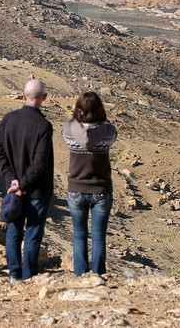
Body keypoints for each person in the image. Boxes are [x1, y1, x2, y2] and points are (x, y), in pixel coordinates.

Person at [0, 78, 55, 281]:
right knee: (33, 234)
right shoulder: (44, 126)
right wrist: (24, 185)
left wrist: (13, 181)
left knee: (13, 231)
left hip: (13, 190)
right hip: (37, 190)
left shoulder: (8, 119)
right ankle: (29, 276)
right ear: (44, 97)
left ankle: (14, 274)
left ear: (23, 95)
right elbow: (39, 163)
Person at [62, 91, 118, 276]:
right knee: (99, 236)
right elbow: (111, 134)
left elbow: (74, 132)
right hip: (101, 189)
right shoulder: (108, 131)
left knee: (79, 234)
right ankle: (98, 274)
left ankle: (80, 274)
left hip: (76, 188)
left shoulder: (68, 129)